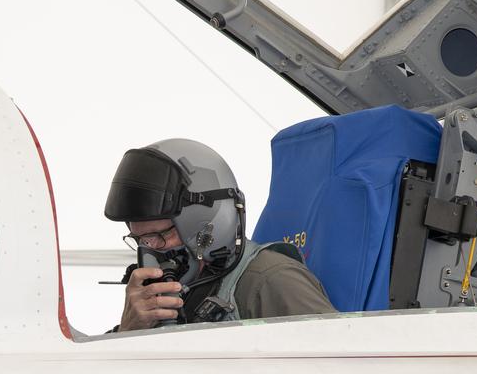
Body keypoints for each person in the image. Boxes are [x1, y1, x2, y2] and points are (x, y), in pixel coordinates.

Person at [104, 138, 335, 332]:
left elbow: (340, 368)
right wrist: (129, 329)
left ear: (204, 228)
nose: (151, 248)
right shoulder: (181, 290)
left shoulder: (270, 280)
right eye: (141, 240)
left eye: (160, 235)